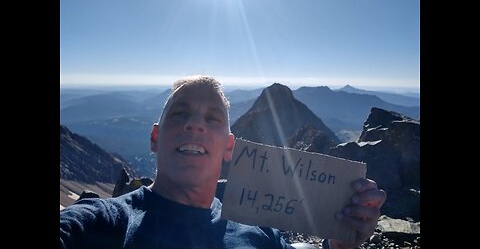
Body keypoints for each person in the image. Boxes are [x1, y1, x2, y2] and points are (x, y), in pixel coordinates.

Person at [60, 75, 386, 249]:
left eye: (212, 118)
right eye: (180, 114)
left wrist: (340, 246)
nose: (195, 125)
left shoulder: (262, 233)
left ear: (229, 147)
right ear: (156, 138)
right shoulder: (106, 223)